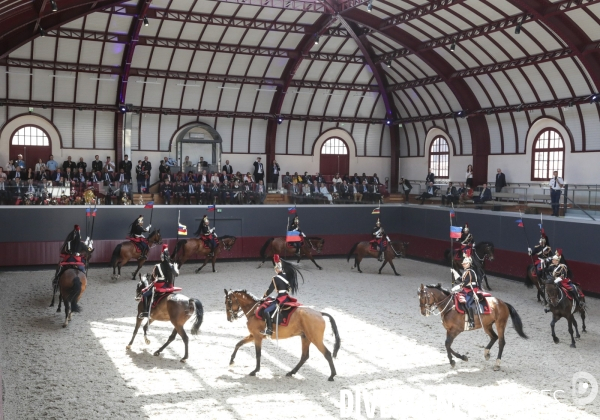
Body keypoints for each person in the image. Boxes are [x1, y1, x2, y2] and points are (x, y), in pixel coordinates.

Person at [260, 254, 300, 336]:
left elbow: (270, 290)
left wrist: (263, 296)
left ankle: (269, 330)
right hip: (287, 297)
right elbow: (289, 289)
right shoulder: (287, 276)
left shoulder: (275, 278)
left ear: (277, 269)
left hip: (281, 298)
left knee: (266, 311)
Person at [139, 244, 178, 319]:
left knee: (145, 295)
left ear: (161, 257)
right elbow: (176, 274)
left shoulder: (157, 266)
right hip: (167, 285)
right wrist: (175, 268)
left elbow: (154, 277)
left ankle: (146, 311)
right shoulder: (171, 265)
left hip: (159, 285)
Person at [451, 257, 478, 329]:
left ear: (469, 264)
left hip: (471, 290)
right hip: (465, 289)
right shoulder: (465, 271)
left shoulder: (470, 272)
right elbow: (461, 280)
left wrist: (457, 287)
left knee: (468, 303)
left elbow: (465, 282)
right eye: (463, 264)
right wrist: (455, 273)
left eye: (465, 264)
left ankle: (472, 321)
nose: (463, 265)